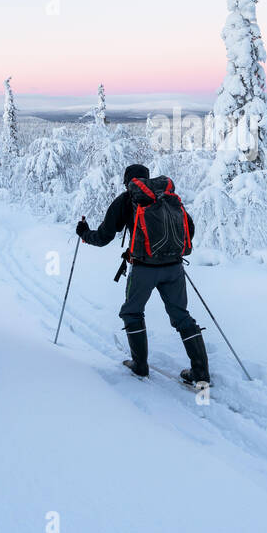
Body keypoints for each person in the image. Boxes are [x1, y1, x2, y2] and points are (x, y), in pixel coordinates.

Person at [76, 164, 210, 384]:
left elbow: (103, 237)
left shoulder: (126, 200)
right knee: (181, 316)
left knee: (132, 313)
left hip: (143, 269)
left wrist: (84, 233)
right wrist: (169, 248)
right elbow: (190, 229)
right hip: (174, 267)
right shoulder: (167, 197)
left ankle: (140, 366)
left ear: (128, 182)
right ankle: (201, 374)